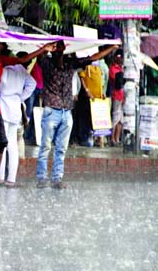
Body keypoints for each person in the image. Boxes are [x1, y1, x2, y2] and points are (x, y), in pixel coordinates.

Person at [0, 42, 54, 187]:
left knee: (2, 142)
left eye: (1, 46)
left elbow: (22, 60)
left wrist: (41, 50)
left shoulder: (3, 61)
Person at [36, 41, 119, 189]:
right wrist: (44, 49)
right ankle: (42, 178)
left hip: (66, 111)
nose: (59, 50)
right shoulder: (47, 63)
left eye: (61, 47)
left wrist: (111, 48)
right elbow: (39, 57)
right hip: (52, 110)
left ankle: (56, 178)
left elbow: (93, 58)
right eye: (56, 47)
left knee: (61, 148)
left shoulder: (70, 64)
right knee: (46, 147)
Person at [0, 52, 36, 188]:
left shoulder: (6, 69)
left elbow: (1, 84)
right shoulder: (21, 70)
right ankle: (11, 178)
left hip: (3, 105)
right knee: (12, 143)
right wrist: (21, 97)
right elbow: (32, 83)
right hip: (15, 107)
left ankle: (1, 176)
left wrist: (0, 95)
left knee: (1, 144)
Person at [109, 49, 125, 146]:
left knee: (120, 120)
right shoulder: (113, 69)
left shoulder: (121, 69)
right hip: (116, 95)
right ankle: (112, 139)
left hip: (122, 96)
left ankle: (117, 139)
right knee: (115, 117)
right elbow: (116, 81)